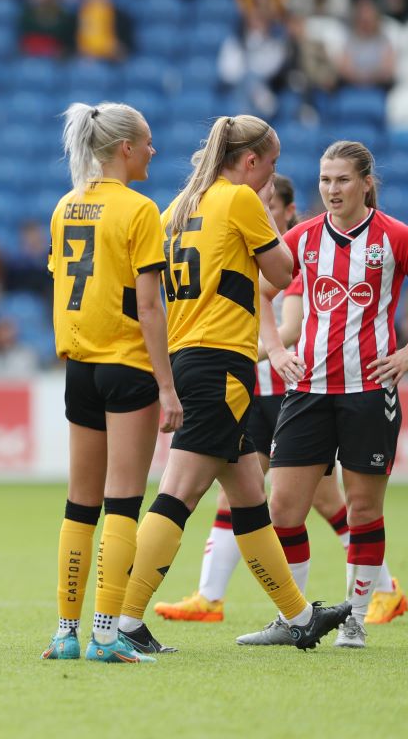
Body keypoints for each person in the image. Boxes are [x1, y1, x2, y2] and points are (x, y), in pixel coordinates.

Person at [116, 115, 351, 655]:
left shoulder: (177, 207)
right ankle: (122, 621)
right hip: (223, 363)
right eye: (270, 167)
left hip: (191, 355)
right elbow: (286, 272)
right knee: (178, 494)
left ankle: (296, 617)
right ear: (249, 162)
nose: (271, 179)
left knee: (248, 499)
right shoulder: (240, 200)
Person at [155, 174, 403, 624]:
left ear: (286, 211)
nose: (259, 219)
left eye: (268, 209)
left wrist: (252, 350)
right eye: (325, 179)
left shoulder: (293, 253)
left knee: (322, 502)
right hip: (277, 392)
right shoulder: (287, 245)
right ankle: (223, 598)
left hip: (293, 390)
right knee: (261, 499)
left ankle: (373, 591)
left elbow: (288, 325)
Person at [241, 141, 408, 649]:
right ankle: (295, 616)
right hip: (307, 390)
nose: (332, 190)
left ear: (365, 182)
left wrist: (406, 355)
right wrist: (273, 346)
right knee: (283, 510)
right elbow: (263, 291)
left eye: (342, 180)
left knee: (362, 510)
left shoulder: (394, 236)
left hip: (368, 390)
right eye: (325, 180)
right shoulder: (303, 238)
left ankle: (355, 619)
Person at [40, 102, 181, 664]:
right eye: (147, 142)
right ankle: (106, 635)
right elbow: (149, 306)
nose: (152, 150)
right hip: (127, 365)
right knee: (124, 502)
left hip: (80, 368)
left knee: (80, 505)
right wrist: (167, 388)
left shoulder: (65, 206)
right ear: (125, 148)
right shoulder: (139, 210)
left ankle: (65, 634)